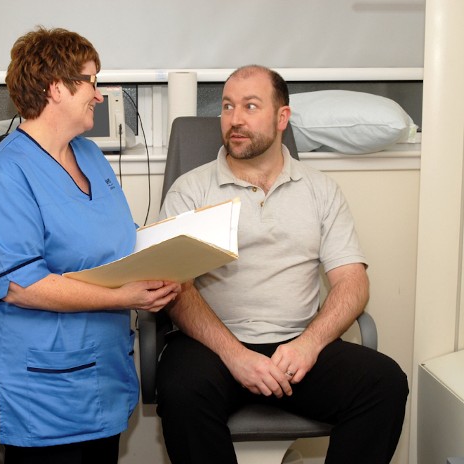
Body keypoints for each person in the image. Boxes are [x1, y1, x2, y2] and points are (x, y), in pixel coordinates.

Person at [155, 65, 409, 464]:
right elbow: (174, 286)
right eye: (227, 107)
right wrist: (236, 355)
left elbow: (352, 282)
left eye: (250, 106)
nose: (235, 119)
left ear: (281, 118)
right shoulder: (191, 190)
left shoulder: (320, 190)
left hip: (296, 348)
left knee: (384, 383)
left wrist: (308, 345)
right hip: (212, 348)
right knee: (182, 391)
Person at [0, 27, 180, 464]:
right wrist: (125, 296)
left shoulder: (91, 156)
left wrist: (170, 255)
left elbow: (119, 237)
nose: (99, 94)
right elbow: (21, 284)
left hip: (100, 372)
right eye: (92, 81)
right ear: (56, 87)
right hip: (39, 386)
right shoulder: (5, 175)